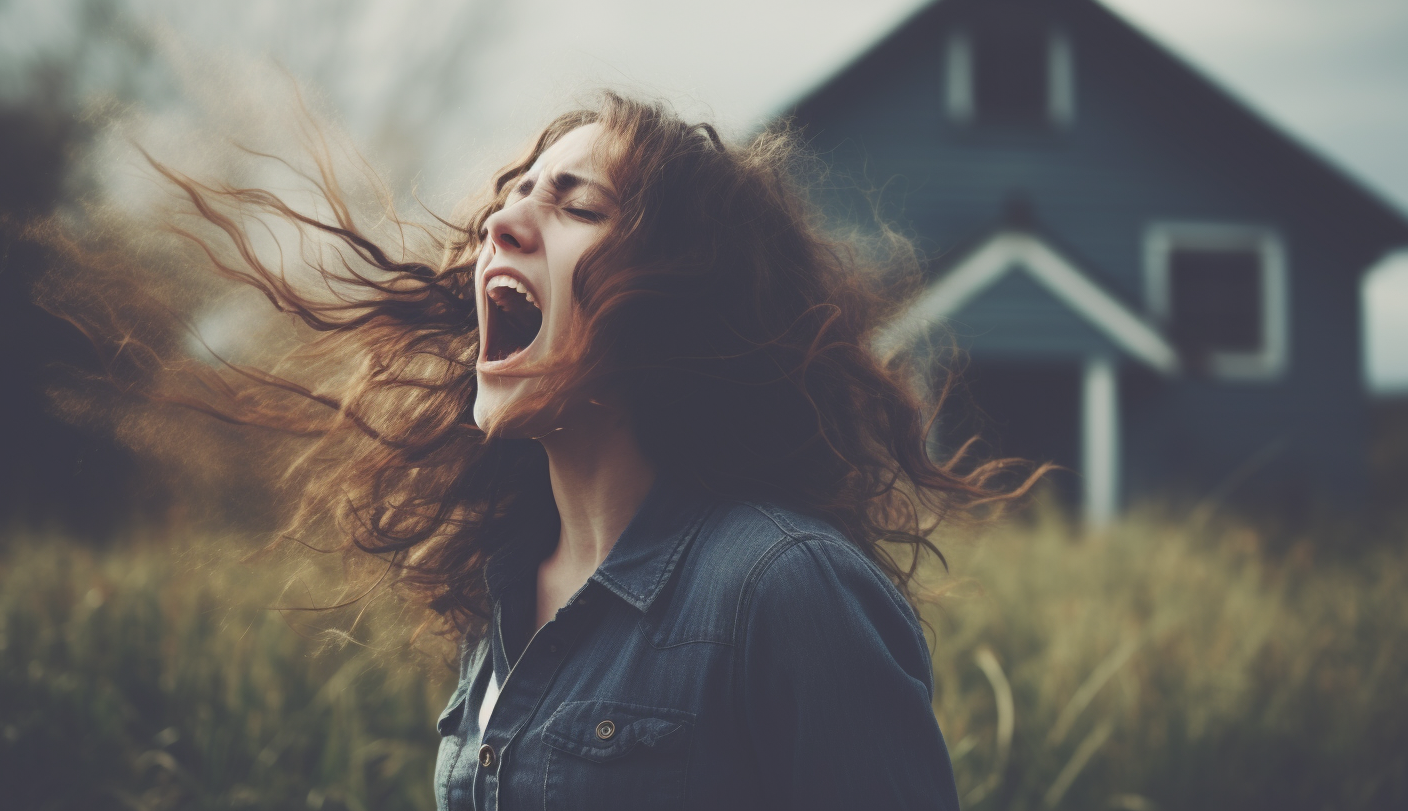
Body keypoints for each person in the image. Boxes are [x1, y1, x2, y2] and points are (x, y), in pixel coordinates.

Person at [90, 91, 1037, 810]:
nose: (501, 223)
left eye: (576, 206)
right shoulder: (504, 598)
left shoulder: (781, 588)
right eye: (513, 197)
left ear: (674, 298)